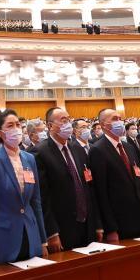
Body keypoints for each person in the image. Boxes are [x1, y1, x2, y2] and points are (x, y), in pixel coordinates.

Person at [0, 109, 48, 265]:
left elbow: (36, 202)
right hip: (6, 237)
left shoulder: (29, 159)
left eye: (18, 124)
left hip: (31, 234)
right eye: (10, 126)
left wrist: (43, 240)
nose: (16, 129)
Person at [35, 107, 101, 251]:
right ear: (50, 126)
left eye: (69, 120)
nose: (68, 124)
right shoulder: (40, 152)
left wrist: (97, 224)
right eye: (63, 121)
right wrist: (52, 232)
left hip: (87, 225)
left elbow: (89, 186)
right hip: (62, 228)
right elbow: (42, 197)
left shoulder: (77, 148)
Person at [88, 108, 140, 242]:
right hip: (120, 221)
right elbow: (101, 193)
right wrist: (111, 228)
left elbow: (139, 181)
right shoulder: (97, 150)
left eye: (120, 119)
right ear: (104, 125)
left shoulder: (129, 147)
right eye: (114, 119)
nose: (119, 122)